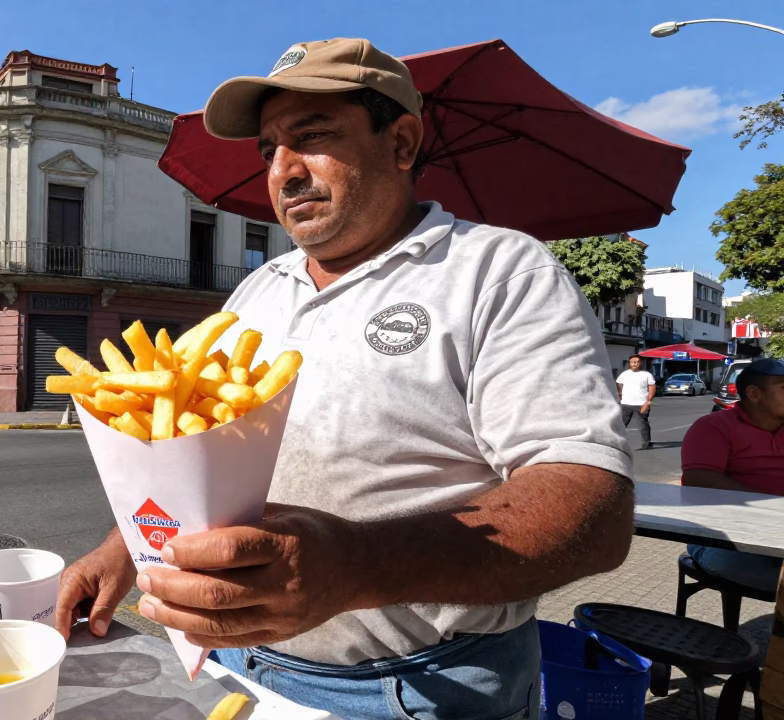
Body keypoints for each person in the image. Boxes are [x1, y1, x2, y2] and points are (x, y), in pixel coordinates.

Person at [54, 38, 634, 720]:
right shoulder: (255, 293)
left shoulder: (500, 271)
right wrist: (120, 548)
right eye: (269, 148)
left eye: (313, 136)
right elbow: (190, 456)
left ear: (403, 142)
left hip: (418, 689)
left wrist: (355, 565)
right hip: (236, 665)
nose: (283, 172)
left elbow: (590, 505)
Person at [680, 357, 784, 594]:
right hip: (724, 537)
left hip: (779, 532)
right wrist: (775, 507)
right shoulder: (714, 427)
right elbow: (700, 481)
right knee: (739, 564)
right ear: (754, 393)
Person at [617, 354, 657, 450]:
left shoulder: (647, 375)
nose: (636, 364)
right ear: (630, 363)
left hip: (641, 403)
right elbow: (619, 384)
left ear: (641, 363)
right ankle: (618, 442)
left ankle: (646, 443)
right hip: (626, 403)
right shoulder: (625, 374)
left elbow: (652, 387)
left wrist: (648, 401)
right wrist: (620, 394)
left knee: (643, 424)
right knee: (622, 424)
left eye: (637, 362)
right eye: (633, 362)